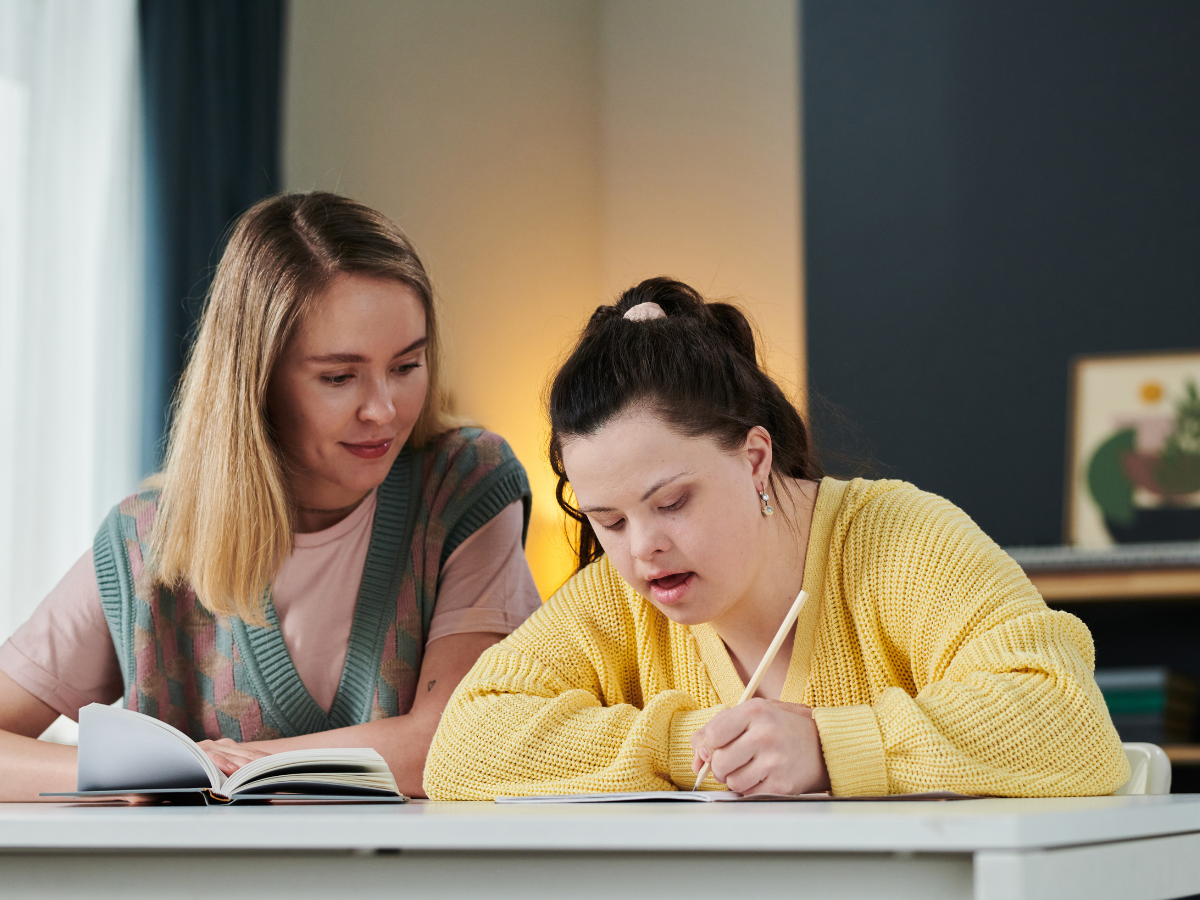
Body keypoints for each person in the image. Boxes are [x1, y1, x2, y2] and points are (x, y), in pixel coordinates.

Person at [423, 277, 1130, 800]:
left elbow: (1069, 721)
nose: (642, 550)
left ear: (754, 458)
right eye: (609, 521)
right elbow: (464, 745)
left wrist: (829, 747)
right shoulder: (623, 598)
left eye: (670, 502)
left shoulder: (901, 542)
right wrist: (687, 744)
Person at [0, 192, 541, 800]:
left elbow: (450, 740)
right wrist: (132, 771)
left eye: (406, 365)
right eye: (339, 377)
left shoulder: (464, 481)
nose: (384, 410)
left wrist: (225, 765)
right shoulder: (144, 541)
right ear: (255, 382)